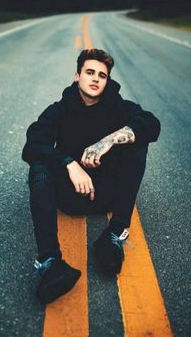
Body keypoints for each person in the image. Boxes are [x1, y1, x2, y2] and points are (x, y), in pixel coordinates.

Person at [22, 48, 160, 304]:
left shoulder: (118, 107)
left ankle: (114, 234)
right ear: (77, 76)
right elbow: (32, 147)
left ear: (107, 81)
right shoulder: (59, 110)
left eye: (102, 75)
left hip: (108, 194)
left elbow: (152, 124)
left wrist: (108, 141)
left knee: (137, 141)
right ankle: (49, 262)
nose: (96, 78)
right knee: (39, 168)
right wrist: (69, 163)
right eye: (89, 72)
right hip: (69, 194)